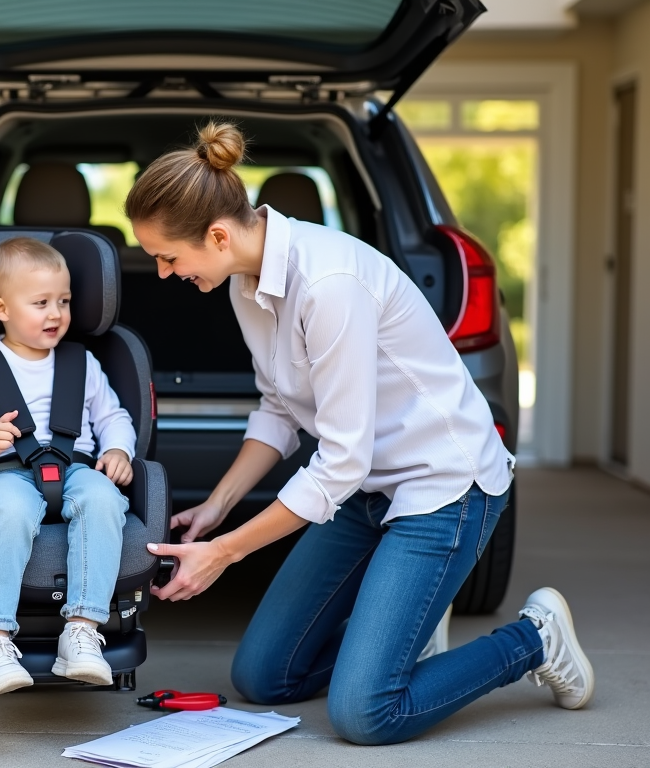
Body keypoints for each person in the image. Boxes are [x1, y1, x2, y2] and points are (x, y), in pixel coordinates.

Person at [125, 122, 594, 745]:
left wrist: (226, 550)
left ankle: (534, 639)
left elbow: (340, 462)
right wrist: (218, 506)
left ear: (216, 235)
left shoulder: (328, 286)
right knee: (262, 676)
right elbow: (279, 408)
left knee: (366, 714)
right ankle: (400, 635)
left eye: (167, 257)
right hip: (366, 491)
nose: (161, 274)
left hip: (443, 489)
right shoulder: (243, 280)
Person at [0, 236, 134, 699]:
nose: (55, 314)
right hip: (3, 472)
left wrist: (118, 450)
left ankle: (81, 630)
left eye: (64, 301)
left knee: (103, 498)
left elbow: (113, 417)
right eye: (41, 303)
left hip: (76, 466)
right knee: (11, 510)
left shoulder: (83, 362)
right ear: (1, 307)